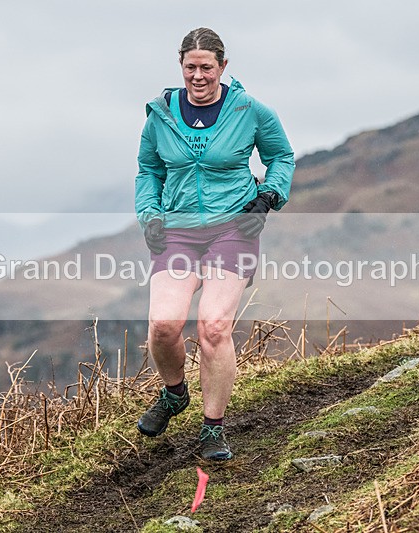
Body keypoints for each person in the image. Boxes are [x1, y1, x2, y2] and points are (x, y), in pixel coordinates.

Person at [134, 27, 294, 460]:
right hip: (178, 230)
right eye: (191, 67)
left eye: (207, 67)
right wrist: (150, 215)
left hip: (233, 228)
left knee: (213, 326)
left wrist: (267, 197)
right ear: (180, 67)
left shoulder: (249, 110)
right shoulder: (160, 114)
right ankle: (173, 395)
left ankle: (212, 429)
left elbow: (281, 156)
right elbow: (148, 170)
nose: (198, 76)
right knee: (164, 326)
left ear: (223, 67)